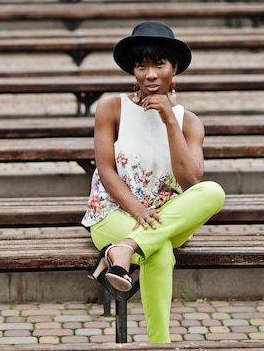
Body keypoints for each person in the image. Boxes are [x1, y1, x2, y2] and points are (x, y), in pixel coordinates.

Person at [82, 21, 225, 343]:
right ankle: (160, 344)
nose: (149, 75)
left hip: (166, 217)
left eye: (159, 65)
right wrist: (137, 210)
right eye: (140, 66)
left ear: (174, 68)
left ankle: (123, 250)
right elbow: (105, 170)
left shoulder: (189, 122)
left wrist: (169, 121)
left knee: (213, 191)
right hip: (113, 213)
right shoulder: (111, 107)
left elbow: (191, 181)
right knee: (158, 252)